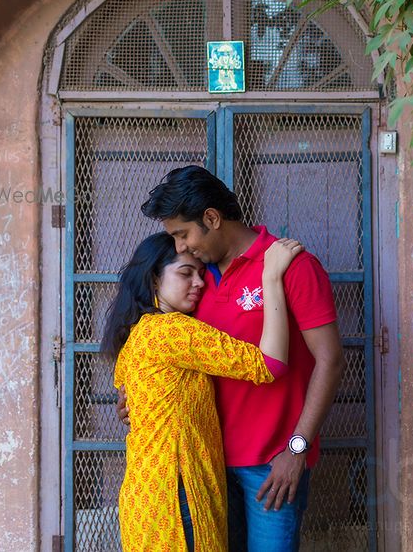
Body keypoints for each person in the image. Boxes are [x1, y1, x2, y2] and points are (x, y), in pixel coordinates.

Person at [123, 165, 345, 551]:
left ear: (211, 218)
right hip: (204, 468)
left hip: (271, 468)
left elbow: (330, 361)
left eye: (183, 234)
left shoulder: (292, 267)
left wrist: (297, 448)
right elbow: (175, 362)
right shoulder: (194, 281)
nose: (179, 247)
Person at [104, 231, 304, 551]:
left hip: (145, 499)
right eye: (185, 273)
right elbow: (269, 365)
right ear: (154, 280)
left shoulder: (137, 333)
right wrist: (272, 276)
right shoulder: (173, 330)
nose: (198, 283)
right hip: (176, 497)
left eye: (200, 273)